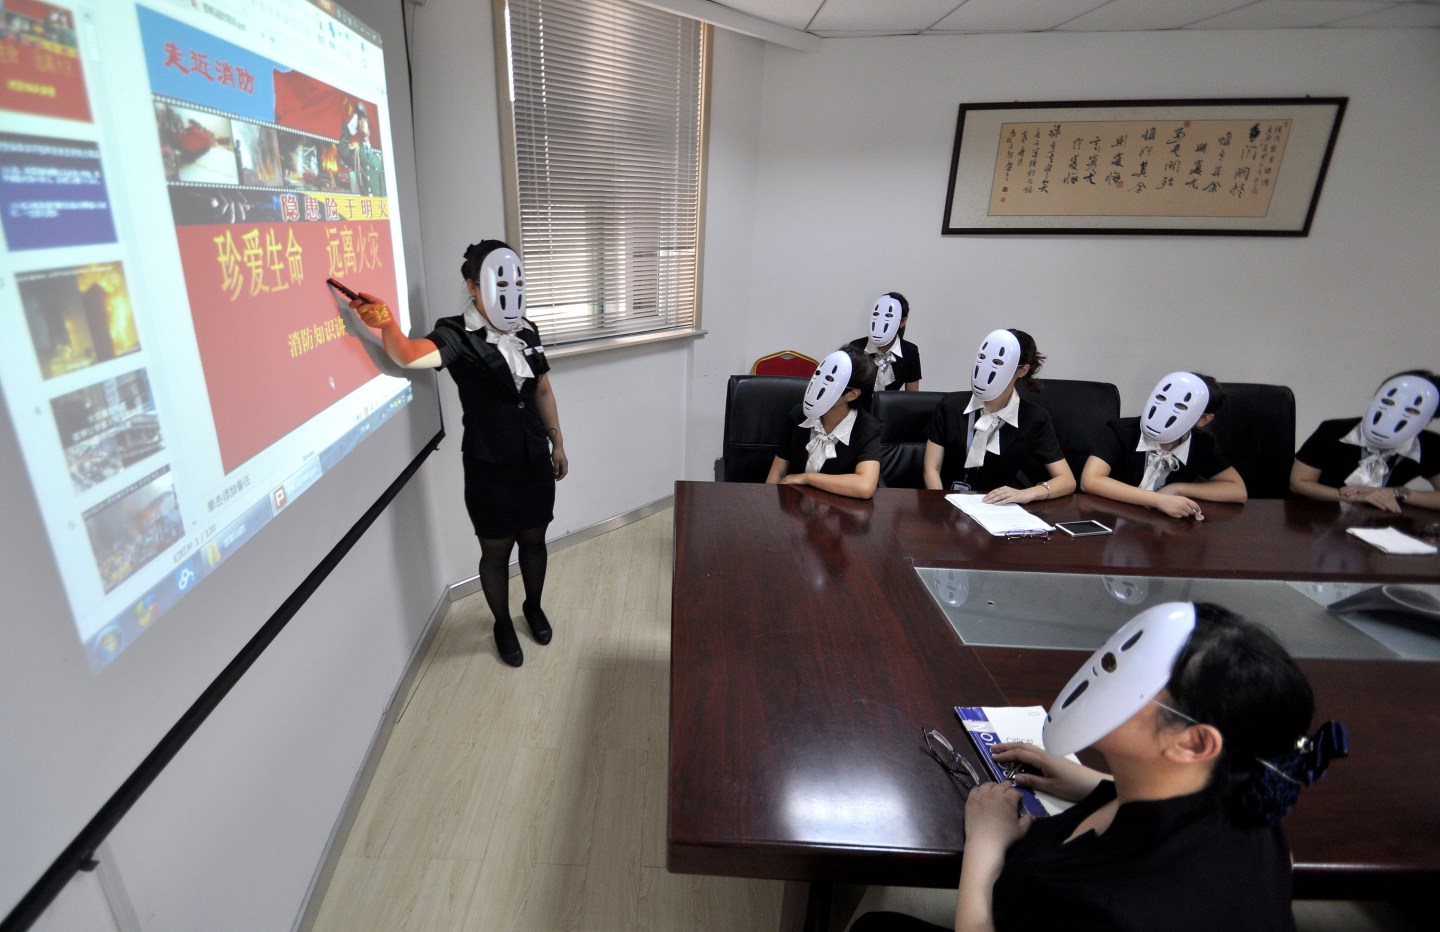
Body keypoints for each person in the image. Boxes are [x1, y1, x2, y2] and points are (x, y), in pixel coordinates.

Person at [854, 602, 1346, 932]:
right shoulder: (1244, 791)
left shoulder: (1118, 908)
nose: (1103, 674)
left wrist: (983, 850)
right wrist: (1091, 783)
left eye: (1133, 680)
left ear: (1194, 743)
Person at [349, 240, 566, 667]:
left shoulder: (527, 329)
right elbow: (408, 356)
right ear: (473, 285)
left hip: (532, 458)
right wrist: (387, 324)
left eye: (515, 281)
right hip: (488, 466)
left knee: (535, 540)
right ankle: (502, 623)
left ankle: (533, 607)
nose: (510, 289)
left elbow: (541, 387)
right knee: (497, 552)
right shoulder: (456, 333)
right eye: (498, 280)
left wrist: (557, 442)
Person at [922, 329, 1074, 503]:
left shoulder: (1034, 418)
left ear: (1022, 370)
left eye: (997, 362)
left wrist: (1026, 493)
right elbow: (931, 468)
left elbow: (1067, 480)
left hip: (997, 511)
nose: (987, 367)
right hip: (946, 507)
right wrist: (943, 504)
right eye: (984, 358)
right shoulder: (951, 405)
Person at [1081, 371, 1247, 520]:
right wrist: (1159, 500)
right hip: (1114, 519)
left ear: (1204, 419)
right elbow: (1090, 480)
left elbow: (1237, 490)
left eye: (1182, 407)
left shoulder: (1201, 444)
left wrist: (1178, 489)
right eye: (1162, 399)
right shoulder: (1122, 431)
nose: (1167, 411)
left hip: (1162, 529)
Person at [1291, 369, 1440, 512]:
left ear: (1429, 419)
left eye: (1412, 411)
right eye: (1388, 403)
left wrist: (1396, 493)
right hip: (1321, 515)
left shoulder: (1430, 444)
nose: (1393, 415)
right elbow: (1299, 482)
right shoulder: (1333, 430)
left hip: (1382, 521)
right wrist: (1357, 497)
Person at [766, 345, 883, 500]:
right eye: (819, 374)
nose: (818, 383)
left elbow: (865, 486)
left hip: (838, 514)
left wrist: (807, 478)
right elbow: (778, 472)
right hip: (794, 510)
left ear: (852, 394)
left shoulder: (868, 429)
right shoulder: (799, 416)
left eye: (829, 379)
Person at [847, 292, 922, 392]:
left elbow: (912, 398)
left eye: (888, 315)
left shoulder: (910, 351)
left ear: (902, 321)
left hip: (893, 407)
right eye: (876, 314)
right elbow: (846, 392)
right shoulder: (856, 348)